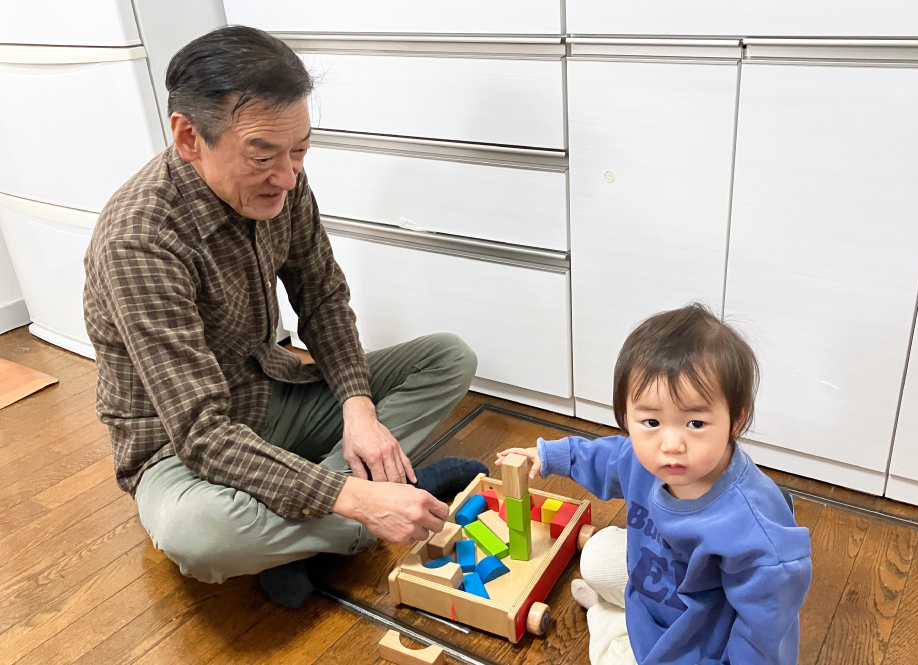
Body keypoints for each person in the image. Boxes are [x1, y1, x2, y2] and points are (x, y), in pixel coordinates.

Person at [83, 26, 486, 609]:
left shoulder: (283, 180)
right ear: (189, 137)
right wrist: (354, 499)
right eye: (264, 155)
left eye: (300, 150)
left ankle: (313, 523)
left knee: (448, 358)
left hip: (268, 391)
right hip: (180, 446)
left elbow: (321, 295)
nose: (288, 176)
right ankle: (385, 498)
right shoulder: (140, 240)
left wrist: (358, 409)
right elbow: (202, 433)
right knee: (200, 536)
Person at [497, 304, 812, 664]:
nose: (670, 445)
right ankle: (617, 615)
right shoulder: (645, 458)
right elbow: (608, 457)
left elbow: (764, 636)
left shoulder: (756, 535)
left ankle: (606, 619)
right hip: (654, 591)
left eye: (695, 424)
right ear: (626, 416)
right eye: (651, 422)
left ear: (736, 419)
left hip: (697, 647)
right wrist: (550, 455)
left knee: (611, 657)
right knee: (595, 554)